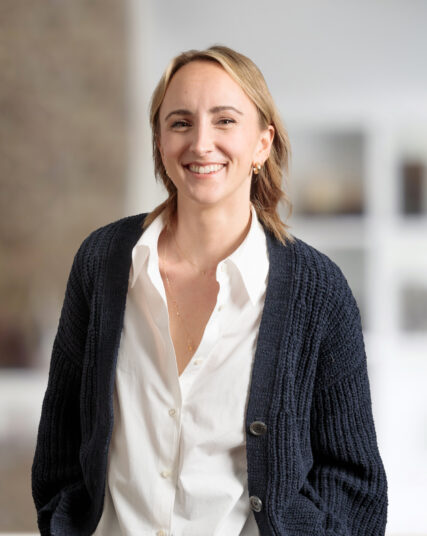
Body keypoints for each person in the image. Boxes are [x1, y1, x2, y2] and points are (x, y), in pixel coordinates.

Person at [31, 45, 388, 536]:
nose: (200, 143)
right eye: (180, 123)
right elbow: (60, 437)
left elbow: (355, 482)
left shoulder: (319, 291)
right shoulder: (102, 262)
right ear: (159, 140)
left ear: (262, 143)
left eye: (224, 121)